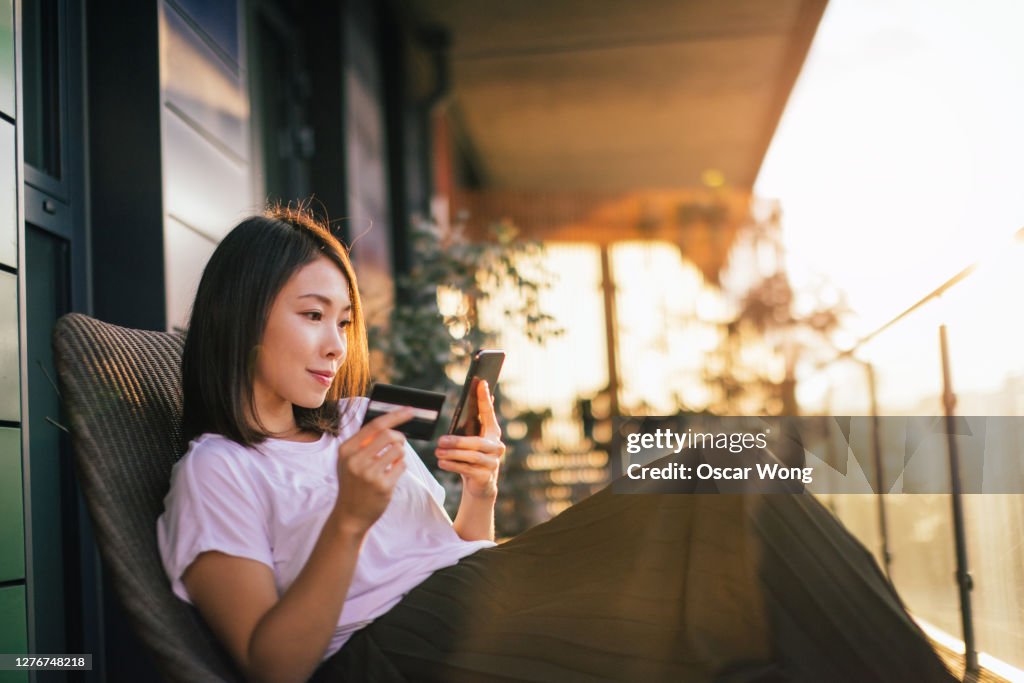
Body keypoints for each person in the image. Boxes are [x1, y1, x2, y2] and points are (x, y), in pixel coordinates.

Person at [158, 206, 955, 683]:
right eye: (310, 314)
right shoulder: (217, 470)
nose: (336, 343)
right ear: (244, 312)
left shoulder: (355, 420)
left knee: (728, 485)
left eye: (343, 320)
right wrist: (346, 522)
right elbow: (274, 666)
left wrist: (480, 495)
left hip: (475, 606)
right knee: (716, 469)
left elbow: (450, 556)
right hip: (391, 656)